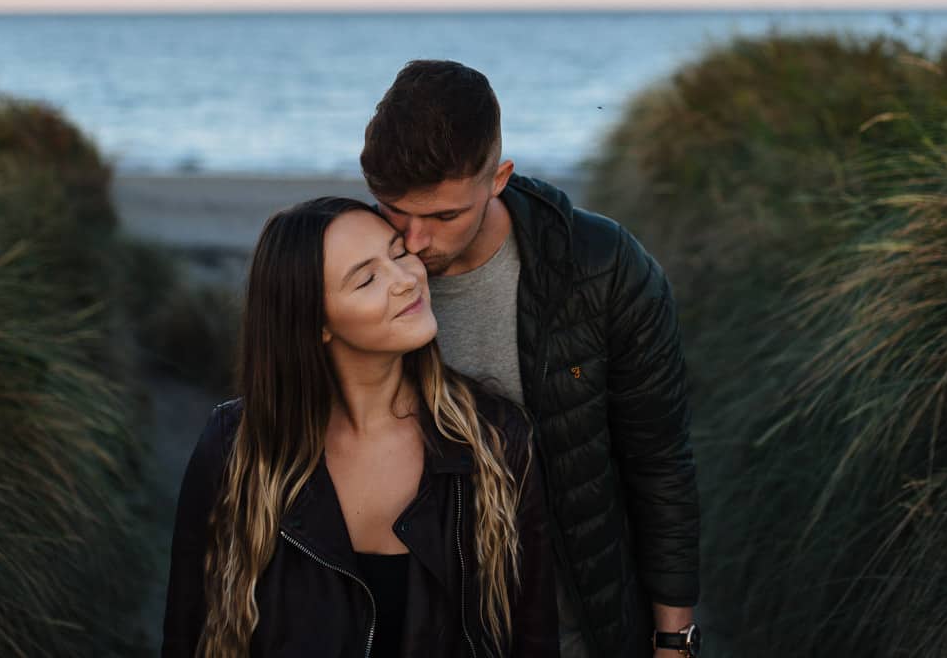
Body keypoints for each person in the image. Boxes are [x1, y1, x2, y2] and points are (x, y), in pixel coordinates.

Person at [360, 61, 702, 658]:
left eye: (444, 216)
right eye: (394, 209)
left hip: (575, 625)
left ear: (498, 178)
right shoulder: (350, 276)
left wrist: (674, 641)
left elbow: (659, 462)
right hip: (408, 624)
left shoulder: (603, 267)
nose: (414, 243)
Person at [161, 196, 558, 658]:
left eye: (399, 253)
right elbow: (187, 635)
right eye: (367, 278)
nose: (406, 281)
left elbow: (535, 639)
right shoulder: (234, 448)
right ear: (316, 322)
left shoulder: (495, 438)